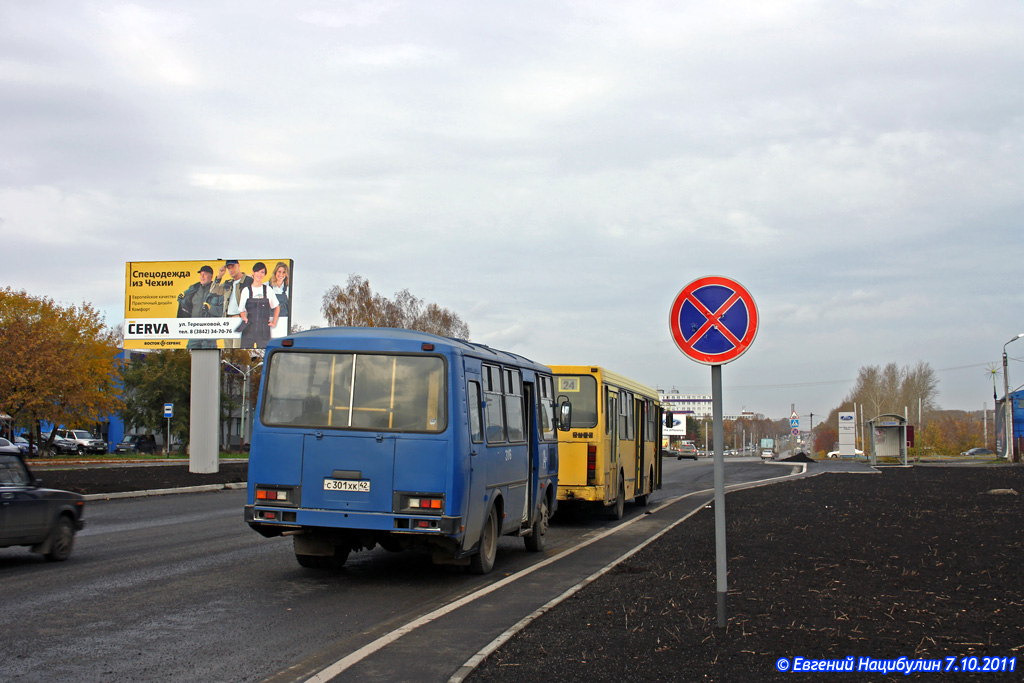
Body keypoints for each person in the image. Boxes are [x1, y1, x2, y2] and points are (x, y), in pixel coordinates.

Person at [177, 265, 224, 349]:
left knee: (209, 357)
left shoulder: (217, 291)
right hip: (194, 331)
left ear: (211, 276)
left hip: (209, 332)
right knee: (190, 355)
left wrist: (210, 308)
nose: (202, 277)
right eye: (201, 274)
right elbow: (185, 307)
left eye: (205, 274)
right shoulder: (193, 289)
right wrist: (182, 300)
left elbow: (222, 311)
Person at [237, 262, 280, 349]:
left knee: (265, 353)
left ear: (265, 274)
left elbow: (277, 307)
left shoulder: (268, 290)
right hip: (249, 329)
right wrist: (244, 318)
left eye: (262, 272)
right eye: (257, 271)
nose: (259, 274)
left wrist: (274, 322)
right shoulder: (246, 290)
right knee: (245, 351)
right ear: (253, 272)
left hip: (264, 330)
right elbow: (242, 310)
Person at [211, 260, 253, 349]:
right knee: (228, 350)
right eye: (228, 268)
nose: (231, 270)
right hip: (227, 319)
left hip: (241, 320)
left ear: (238, 265)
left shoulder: (249, 281)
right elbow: (213, 290)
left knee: (238, 348)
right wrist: (219, 276)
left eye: (232, 267)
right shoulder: (228, 283)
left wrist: (241, 315)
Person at [269, 261, 290, 338]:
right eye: (279, 272)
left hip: (283, 322)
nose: (281, 274)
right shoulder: (266, 286)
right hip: (269, 320)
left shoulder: (288, 288)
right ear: (275, 272)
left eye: (284, 272)